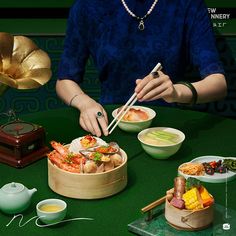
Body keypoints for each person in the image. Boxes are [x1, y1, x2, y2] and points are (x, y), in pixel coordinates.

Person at [56, 0, 227, 137]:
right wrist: (85, 103)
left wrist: (176, 92)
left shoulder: (188, 4)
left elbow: (218, 83)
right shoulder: (88, 5)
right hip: (110, 125)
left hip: (170, 129)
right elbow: (65, 80)